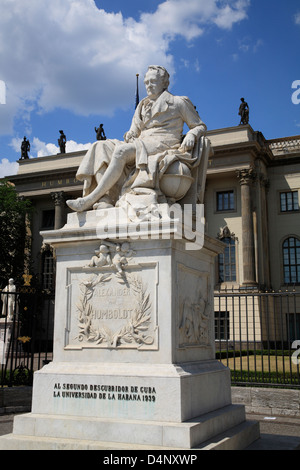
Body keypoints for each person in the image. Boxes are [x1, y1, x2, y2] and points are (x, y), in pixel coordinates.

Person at [67, 65, 206, 212]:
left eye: (153, 81)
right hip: (142, 142)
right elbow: (133, 130)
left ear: (164, 83)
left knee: (121, 151)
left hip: (163, 143)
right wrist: (130, 134)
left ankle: (90, 199)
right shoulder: (142, 105)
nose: (148, 86)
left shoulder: (178, 102)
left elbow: (200, 126)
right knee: (100, 147)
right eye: (146, 82)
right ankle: (105, 199)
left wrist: (192, 134)